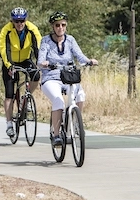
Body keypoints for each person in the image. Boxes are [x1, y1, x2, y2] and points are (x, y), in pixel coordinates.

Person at [37, 11, 97, 147]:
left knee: (80, 95)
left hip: (68, 77)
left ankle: (75, 124)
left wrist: (89, 61)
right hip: (51, 78)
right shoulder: (45, 40)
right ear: (53, 26)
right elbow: (40, 60)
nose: (60, 28)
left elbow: (79, 56)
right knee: (58, 101)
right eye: (57, 25)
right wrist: (44, 63)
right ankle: (56, 135)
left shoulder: (70, 40)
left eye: (63, 25)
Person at [0, 7, 42, 138]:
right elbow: (4, 50)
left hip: (25, 59)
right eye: (16, 21)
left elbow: (38, 47)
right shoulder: (6, 31)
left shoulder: (32, 29)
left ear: (25, 20)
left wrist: (41, 63)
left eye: (22, 21)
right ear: (12, 21)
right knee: (10, 94)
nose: (19, 24)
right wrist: (9, 65)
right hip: (10, 61)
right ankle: (9, 124)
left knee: (36, 75)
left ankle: (26, 99)